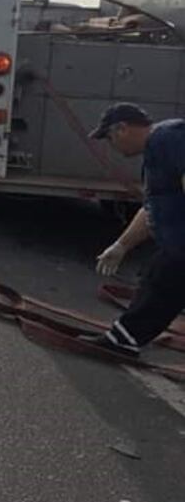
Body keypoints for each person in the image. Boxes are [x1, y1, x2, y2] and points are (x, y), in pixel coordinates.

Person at [83, 103, 185, 357]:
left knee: (160, 281)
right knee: (157, 277)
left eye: (109, 138)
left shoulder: (168, 138)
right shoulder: (154, 153)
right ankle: (125, 338)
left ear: (122, 129)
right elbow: (152, 210)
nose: (112, 146)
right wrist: (121, 246)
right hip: (176, 244)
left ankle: (123, 340)